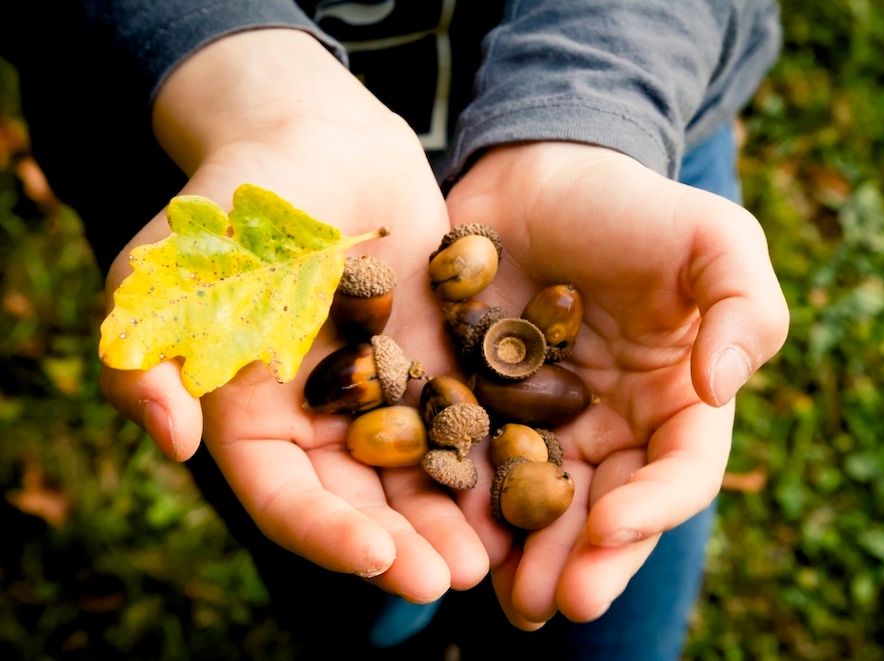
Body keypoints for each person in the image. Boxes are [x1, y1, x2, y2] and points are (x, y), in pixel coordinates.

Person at [1, 1, 789, 658]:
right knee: (354, 591)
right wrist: (244, 83)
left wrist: (593, 114)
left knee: (607, 606)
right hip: (184, 141)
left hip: (630, 141)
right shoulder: (409, 370)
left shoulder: (513, 363)